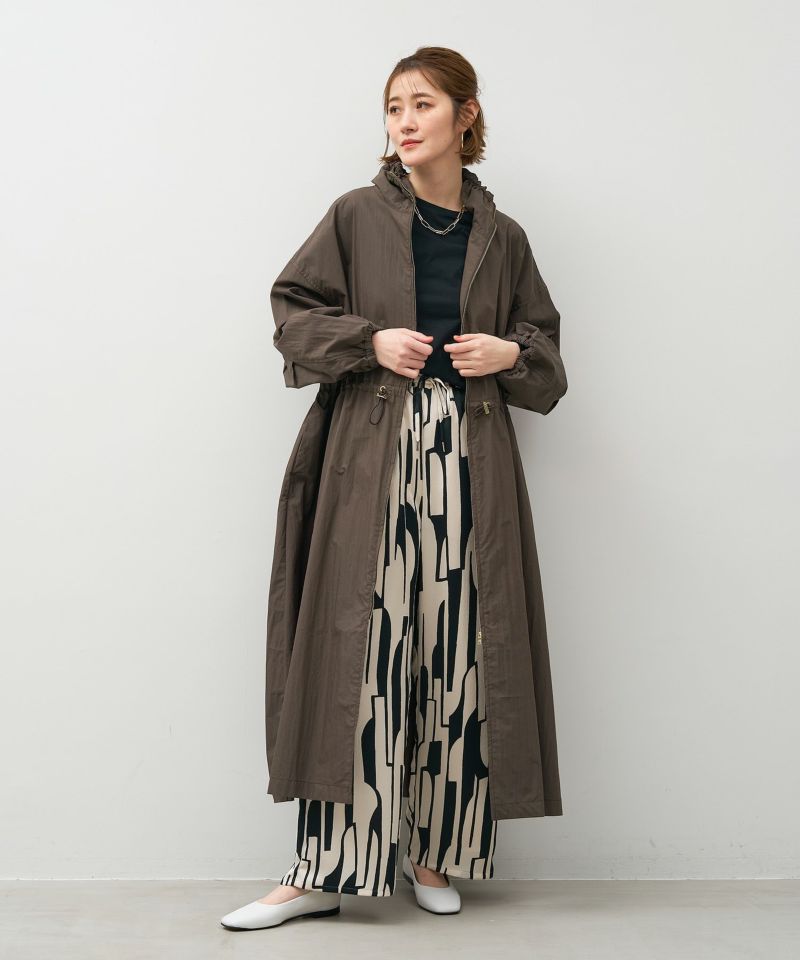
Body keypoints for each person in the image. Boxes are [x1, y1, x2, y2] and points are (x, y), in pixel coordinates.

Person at [221, 45, 567, 932]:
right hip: (372, 453)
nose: (404, 122)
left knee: (456, 652)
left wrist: (511, 352)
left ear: (465, 115)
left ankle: (433, 852)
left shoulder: (504, 237)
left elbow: (547, 361)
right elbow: (292, 314)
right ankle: (321, 871)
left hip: (470, 456)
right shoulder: (355, 215)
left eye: (422, 104)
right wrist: (369, 341)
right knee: (361, 654)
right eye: (393, 107)